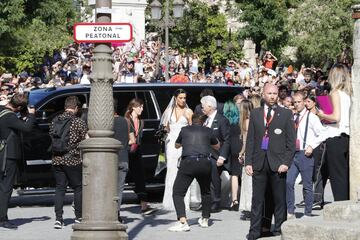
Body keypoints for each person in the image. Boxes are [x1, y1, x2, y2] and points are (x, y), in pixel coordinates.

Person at [245, 83, 296, 239]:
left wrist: (286, 162)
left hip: (278, 163)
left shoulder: (286, 114)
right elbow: (251, 140)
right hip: (259, 162)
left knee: (279, 199)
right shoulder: (255, 113)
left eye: (275, 93)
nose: (273, 96)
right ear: (263, 94)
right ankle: (255, 230)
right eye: (269, 93)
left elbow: (291, 142)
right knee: (257, 200)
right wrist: (248, 162)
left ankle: (280, 228)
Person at [168, 114, 219, 232]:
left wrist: (185, 143)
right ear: (203, 122)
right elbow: (216, 146)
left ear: (191, 121)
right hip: (204, 163)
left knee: (178, 192)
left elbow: (176, 145)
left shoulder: (184, 130)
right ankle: (205, 219)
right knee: (206, 191)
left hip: (188, 162)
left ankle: (182, 221)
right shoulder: (208, 130)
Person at [286, 91, 327, 219]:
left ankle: (307, 212)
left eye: (299, 102)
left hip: (305, 153)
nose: (297, 104)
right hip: (293, 153)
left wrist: (311, 145)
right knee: (288, 181)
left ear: (304, 102)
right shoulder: (292, 117)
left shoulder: (312, 117)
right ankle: (290, 210)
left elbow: (322, 133)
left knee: (307, 185)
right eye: (295, 102)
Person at [50, 96, 87, 229]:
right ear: (76, 108)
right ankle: (78, 216)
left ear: (65, 107)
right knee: (78, 188)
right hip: (73, 159)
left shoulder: (55, 120)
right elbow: (86, 139)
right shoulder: (78, 121)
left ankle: (58, 219)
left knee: (60, 188)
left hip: (57, 159)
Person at [316, 64, 351, 201]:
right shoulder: (348, 95)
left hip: (336, 137)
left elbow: (336, 117)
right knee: (345, 175)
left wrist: (320, 114)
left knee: (337, 177)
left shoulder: (335, 93)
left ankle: (341, 206)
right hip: (346, 138)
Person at [0, 94, 36, 230]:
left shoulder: (2, 111)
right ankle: (2, 218)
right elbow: (27, 128)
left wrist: (21, 116)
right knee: (6, 188)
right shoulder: (10, 117)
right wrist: (31, 115)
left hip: (1, 152)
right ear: (19, 107)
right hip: (8, 156)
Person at [161, 89, 193, 211]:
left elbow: (191, 128)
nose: (183, 100)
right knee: (171, 170)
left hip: (184, 143)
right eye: (180, 98)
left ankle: (184, 201)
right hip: (171, 143)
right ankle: (169, 201)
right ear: (175, 98)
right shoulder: (168, 111)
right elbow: (165, 128)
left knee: (183, 170)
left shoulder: (188, 111)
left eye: (184, 98)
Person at [124, 98, 156, 214]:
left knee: (140, 177)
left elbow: (139, 138)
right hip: (126, 151)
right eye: (140, 107)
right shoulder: (126, 120)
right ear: (133, 107)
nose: (142, 109)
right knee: (122, 177)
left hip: (136, 151)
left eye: (142, 107)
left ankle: (144, 204)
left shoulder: (141, 122)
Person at [201, 95, 230, 212]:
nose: (201, 108)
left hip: (216, 155)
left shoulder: (222, 120)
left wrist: (222, 156)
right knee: (205, 179)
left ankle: (216, 201)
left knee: (214, 179)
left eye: (203, 106)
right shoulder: (205, 119)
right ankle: (207, 202)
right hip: (205, 154)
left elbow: (227, 140)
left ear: (210, 106)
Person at [222, 100, 241, 211]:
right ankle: (243, 197)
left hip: (231, 147)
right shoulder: (239, 122)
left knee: (234, 174)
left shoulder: (224, 122)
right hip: (240, 146)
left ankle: (234, 200)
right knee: (242, 174)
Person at [113, 99, 129, 223]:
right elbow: (131, 140)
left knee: (106, 188)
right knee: (119, 189)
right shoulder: (125, 121)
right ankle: (117, 213)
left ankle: (109, 213)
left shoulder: (104, 123)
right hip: (123, 158)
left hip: (109, 160)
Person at [238, 99, 254, 220]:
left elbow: (246, 141)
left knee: (248, 181)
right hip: (254, 152)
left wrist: (242, 152)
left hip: (250, 153)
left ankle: (249, 207)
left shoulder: (246, 122)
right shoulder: (254, 120)